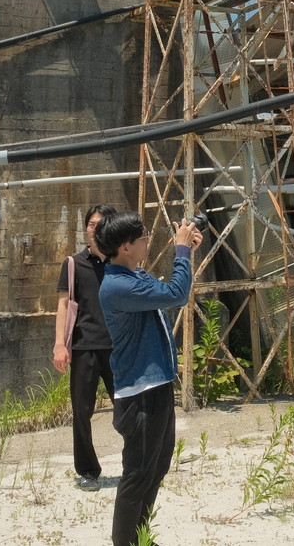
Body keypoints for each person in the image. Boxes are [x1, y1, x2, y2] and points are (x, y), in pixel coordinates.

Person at [96, 211, 201, 546]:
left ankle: (140, 540)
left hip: (156, 384)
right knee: (138, 473)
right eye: (143, 237)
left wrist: (187, 251)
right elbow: (177, 295)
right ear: (125, 247)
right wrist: (181, 251)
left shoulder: (135, 276)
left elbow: (169, 290)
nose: (148, 241)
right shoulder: (117, 286)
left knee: (156, 469)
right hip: (139, 392)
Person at [53, 202, 117, 491]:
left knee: (128, 408)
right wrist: (59, 345)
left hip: (118, 347)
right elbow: (63, 305)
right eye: (92, 224)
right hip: (83, 346)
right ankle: (88, 471)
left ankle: (139, 464)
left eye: (101, 224)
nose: (95, 229)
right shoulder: (73, 264)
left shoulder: (121, 261)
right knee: (82, 412)